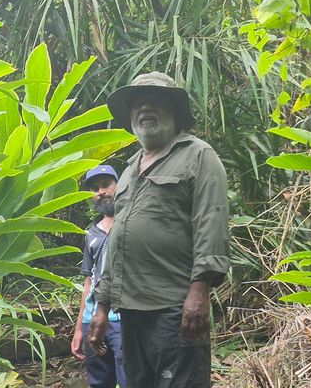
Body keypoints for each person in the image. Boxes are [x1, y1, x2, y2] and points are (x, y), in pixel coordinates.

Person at [87, 72, 230, 388]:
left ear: (174, 111)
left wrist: (200, 289)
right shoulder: (127, 171)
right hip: (131, 311)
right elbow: (118, 242)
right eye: (137, 103)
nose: (144, 108)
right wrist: (102, 307)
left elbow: (212, 220)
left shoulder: (197, 154)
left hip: (175, 307)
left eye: (155, 101)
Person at [71, 164, 126, 388]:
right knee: (99, 383)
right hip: (92, 321)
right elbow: (88, 282)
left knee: (130, 379)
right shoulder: (91, 234)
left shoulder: (131, 223)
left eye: (106, 185)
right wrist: (78, 329)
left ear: (118, 186)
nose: (101, 192)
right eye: (95, 188)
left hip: (124, 318)